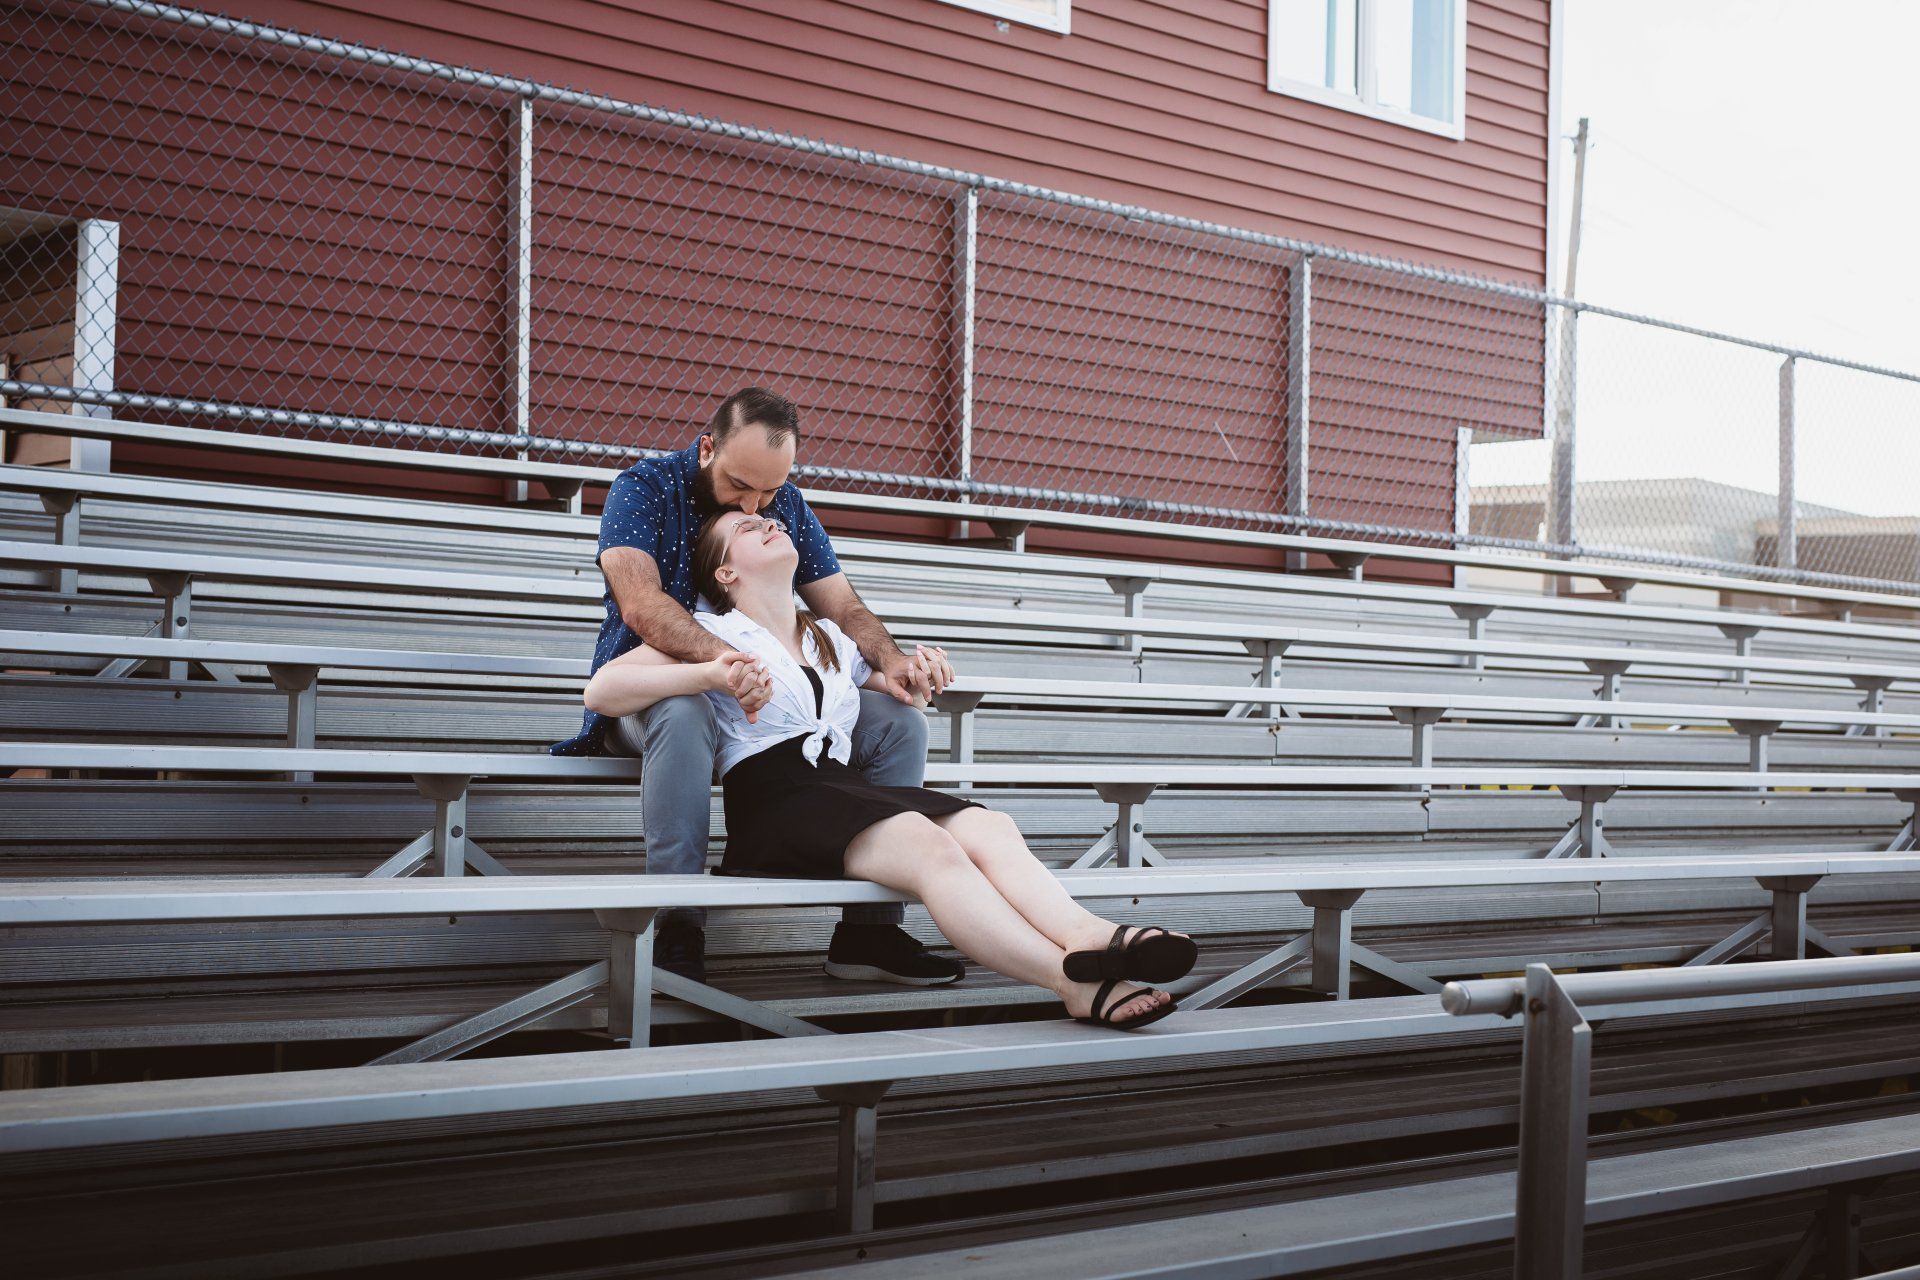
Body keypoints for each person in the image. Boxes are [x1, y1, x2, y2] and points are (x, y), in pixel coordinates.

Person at [582, 508, 1199, 1031]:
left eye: (769, 518)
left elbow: (897, 688)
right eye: (747, 526)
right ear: (725, 571)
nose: (768, 522)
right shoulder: (713, 630)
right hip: (775, 801)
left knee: (992, 826)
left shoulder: (828, 637)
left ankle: (1092, 935)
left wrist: (919, 669)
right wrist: (707, 674)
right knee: (931, 848)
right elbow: (603, 692)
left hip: (840, 789)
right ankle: (1069, 983)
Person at [554, 387, 960, 987]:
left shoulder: (783, 504)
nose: (757, 502)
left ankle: (868, 931)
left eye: (768, 491)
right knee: (685, 709)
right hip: (655, 691)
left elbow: (841, 606)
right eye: (741, 487)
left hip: (767, 702)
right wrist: (736, 664)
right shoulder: (641, 488)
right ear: (706, 447)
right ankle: (679, 921)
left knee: (900, 723)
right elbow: (641, 604)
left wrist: (894, 660)